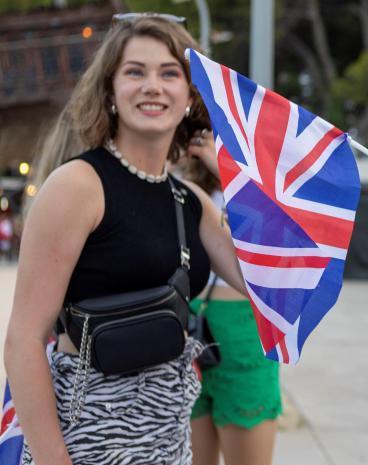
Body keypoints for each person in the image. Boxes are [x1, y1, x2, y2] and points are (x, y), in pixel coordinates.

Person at [3, 14, 244, 465]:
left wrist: (231, 175)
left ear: (190, 96)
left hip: (168, 439)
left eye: (169, 73)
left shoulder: (189, 200)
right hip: (86, 436)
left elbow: (269, 282)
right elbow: (23, 340)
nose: (153, 85)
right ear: (110, 90)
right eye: (135, 72)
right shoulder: (78, 186)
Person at [182, 132, 282, 465]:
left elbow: (274, 245)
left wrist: (225, 168)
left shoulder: (257, 187)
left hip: (243, 332)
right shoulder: (182, 186)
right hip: (186, 329)